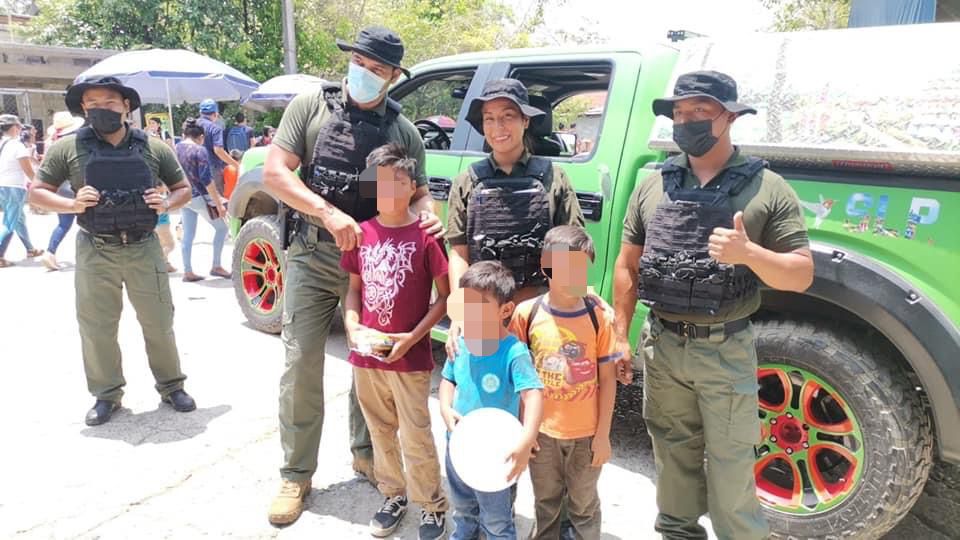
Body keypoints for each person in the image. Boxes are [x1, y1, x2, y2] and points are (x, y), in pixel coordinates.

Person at [612, 70, 814, 540]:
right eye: (680, 113)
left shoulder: (767, 188)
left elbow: (801, 274)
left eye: (700, 111)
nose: (687, 121)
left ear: (730, 117)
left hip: (725, 349)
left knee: (731, 464)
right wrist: (621, 335)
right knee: (671, 454)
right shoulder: (653, 184)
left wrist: (750, 254)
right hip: (663, 346)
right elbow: (628, 265)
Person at [261, 25, 442, 526]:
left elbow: (419, 193)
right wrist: (328, 213)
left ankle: (369, 456)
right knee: (301, 361)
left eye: (377, 69)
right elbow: (275, 172)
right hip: (313, 254)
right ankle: (296, 473)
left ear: (393, 77)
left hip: (375, 264)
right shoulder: (310, 107)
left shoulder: (402, 132)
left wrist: (428, 214)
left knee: (371, 363)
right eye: (359, 63)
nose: (364, 73)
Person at [29, 76, 198, 426]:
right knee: (97, 327)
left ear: (126, 106)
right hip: (96, 248)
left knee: (159, 322)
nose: (100, 109)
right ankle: (106, 394)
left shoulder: (153, 147)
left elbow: (183, 188)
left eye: (109, 102)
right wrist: (72, 204)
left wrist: (166, 202)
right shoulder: (68, 147)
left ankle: (171, 386)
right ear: (83, 109)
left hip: (144, 247)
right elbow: (37, 192)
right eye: (92, 104)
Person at [340, 143, 450, 539]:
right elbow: (354, 289)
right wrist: (352, 324)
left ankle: (432, 504)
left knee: (415, 432)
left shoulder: (426, 236)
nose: (388, 189)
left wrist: (412, 338)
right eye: (380, 182)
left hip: (409, 356)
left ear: (412, 186)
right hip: (367, 355)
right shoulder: (362, 234)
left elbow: (445, 297)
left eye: (397, 181)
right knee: (380, 429)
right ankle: (393, 494)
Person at [444, 78, 584, 358]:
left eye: (508, 116)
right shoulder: (466, 181)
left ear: (525, 121)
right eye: (489, 118)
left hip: (539, 313)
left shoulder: (553, 178)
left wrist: (569, 315)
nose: (498, 127)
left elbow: (571, 252)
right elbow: (459, 253)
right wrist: (460, 314)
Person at [508, 225, 619, 540]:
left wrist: (602, 436)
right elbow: (517, 376)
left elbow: (608, 379)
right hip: (542, 434)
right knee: (546, 502)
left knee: (584, 505)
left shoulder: (599, 317)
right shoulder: (526, 314)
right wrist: (525, 431)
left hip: (586, 435)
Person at [439, 260, 544, 540]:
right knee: (463, 511)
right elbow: (448, 379)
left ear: (505, 310)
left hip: (496, 455)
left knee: (497, 522)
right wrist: (445, 408)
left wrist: (527, 439)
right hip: (458, 448)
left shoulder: (514, 352)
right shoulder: (461, 343)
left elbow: (533, 394)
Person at [176, 117, 230, 282]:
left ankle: (188, 271)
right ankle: (216, 265)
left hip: (183, 196)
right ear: (201, 137)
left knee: (188, 235)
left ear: (184, 134)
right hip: (198, 196)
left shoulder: (176, 148)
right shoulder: (200, 151)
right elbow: (207, 180)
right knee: (222, 229)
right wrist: (218, 203)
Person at [41, 112, 86, 271]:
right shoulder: (75, 143)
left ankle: (50, 252)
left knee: (63, 224)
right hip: (76, 186)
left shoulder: (50, 143)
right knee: (89, 223)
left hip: (59, 187)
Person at [0, 114, 43, 267]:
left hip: (3, 186)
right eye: (18, 126)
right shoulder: (16, 145)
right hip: (14, 187)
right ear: (13, 127)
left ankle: (30, 249)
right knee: (9, 222)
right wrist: (38, 184)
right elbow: (27, 170)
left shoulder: (2, 143)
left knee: (19, 219)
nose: (20, 129)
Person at [197, 99, 240, 195]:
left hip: (193, 167)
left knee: (198, 197)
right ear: (216, 114)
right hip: (211, 168)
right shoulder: (215, 128)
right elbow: (218, 151)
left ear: (200, 112)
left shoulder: (191, 126)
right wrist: (236, 165)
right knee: (216, 196)